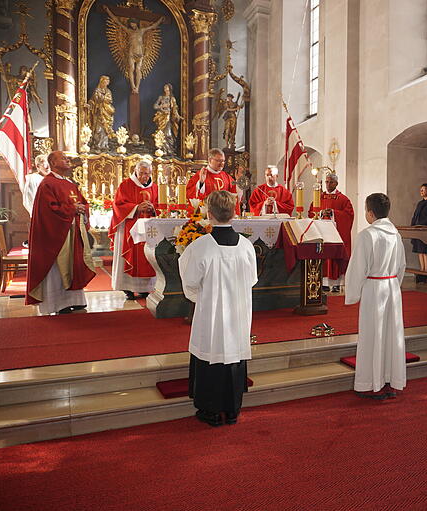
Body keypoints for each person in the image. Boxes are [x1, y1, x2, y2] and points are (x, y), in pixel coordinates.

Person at [179, 190, 257, 427]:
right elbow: (252, 279)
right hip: (238, 312)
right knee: (233, 355)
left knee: (210, 354)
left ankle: (210, 410)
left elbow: (190, 282)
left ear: (209, 213)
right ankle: (232, 410)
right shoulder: (246, 246)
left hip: (211, 312)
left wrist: (199, 295)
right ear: (234, 213)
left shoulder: (201, 246)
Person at [345, 193, 406, 399]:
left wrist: (352, 293)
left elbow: (357, 268)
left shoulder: (367, 235)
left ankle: (370, 383)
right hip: (391, 287)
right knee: (391, 335)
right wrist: (393, 285)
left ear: (370, 213)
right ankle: (390, 380)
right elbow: (402, 266)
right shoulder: (395, 234)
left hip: (374, 288)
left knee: (372, 335)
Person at [26, 151, 96, 315]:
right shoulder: (47, 184)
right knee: (58, 267)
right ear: (52, 162)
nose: (67, 160)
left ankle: (75, 300)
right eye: (63, 158)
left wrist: (82, 209)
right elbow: (48, 211)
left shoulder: (70, 184)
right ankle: (57, 303)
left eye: (67, 158)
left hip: (72, 230)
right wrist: (72, 209)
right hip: (56, 235)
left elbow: (83, 203)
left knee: (74, 264)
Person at [109, 160, 159, 300]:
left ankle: (145, 288)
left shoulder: (154, 187)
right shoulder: (126, 185)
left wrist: (152, 208)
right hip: (129, 227)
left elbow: (160, 203)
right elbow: (118, 205)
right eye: (142, 173)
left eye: (147, 174)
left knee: (147, 255)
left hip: (149, 227)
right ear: (136, 171)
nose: (144, 176)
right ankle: (128, 288)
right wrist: (136, 208)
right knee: (131, 254)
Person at [308, 172, 355, 293]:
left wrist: (333, 213)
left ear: (336, 183)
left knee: (336, 256)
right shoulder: (318, 198)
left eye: (331, 182)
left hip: (337, 234)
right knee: (323, 255)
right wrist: (320, 214)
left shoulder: (343, 199)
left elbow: (349, 215)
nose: (328, 184)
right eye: (327, 182)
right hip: (322, 233)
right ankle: (323, 282)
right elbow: (311, 213)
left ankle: (337, 284)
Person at [185, 149, 238, 216]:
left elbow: (234, 195)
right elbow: (190, 194)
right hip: (207, 214)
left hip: (224, 215)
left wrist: (238, 182)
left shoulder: (226, 176)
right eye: (218, 161)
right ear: (210, 160)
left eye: (223, 161)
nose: (221, 164)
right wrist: (201, 182)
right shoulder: (200, 175)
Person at [409, 183, 427, 283]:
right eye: (420, 190)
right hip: (418, 230)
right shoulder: (420, 203)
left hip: (425, 230)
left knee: (425, 251)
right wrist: (413, 225)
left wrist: (421, 225)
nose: (421, 191)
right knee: (419, 251)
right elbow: (415, 216)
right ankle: (422, 270)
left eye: (423, 190)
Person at [87, 75, 115, 152]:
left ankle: (104, 145)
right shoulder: (97, 90)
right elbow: (93, 100)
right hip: (98, 112)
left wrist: (102, 98)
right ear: (101, 82)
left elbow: (109, 100)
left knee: (105, 130)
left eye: (107, 82)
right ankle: (97, 145)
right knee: (98, 129)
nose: (106, 83)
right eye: (105, 81)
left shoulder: (108, 91)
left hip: (106, 112)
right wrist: (90, 105)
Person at [152, 83, 182, 155]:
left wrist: (178, 116)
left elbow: (175, 109)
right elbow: (155, 106)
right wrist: (162, 106)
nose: (165, 89)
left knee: (168, 134)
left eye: (166, 87)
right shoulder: (161, 97)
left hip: (168, 117)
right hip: (161, 117)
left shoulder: (172, 99)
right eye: (164, 87)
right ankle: (162, 150)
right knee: (161, 133)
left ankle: (170, 150)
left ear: (170, 88)